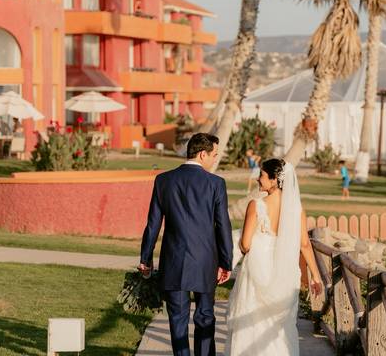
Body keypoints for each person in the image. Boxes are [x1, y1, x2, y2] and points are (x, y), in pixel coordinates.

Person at [139, 133, 233, 356]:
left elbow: (153, 224)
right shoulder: (216, 183)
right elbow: (223, 226)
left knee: (178, 320)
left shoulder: (163, 180)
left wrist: (145, 259)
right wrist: (226, 262)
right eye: (214, 155)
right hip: (205, 261)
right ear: (203, 154)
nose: (214, 159)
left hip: (174, 260)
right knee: (205, 317)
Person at [226, 158, 324, 355]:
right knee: (281, 326)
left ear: (273, 180)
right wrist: (315, 275)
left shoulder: (256, 205)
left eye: (261, 175)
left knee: (251, 321)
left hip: (257, 269)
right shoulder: (297, 210)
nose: (257, 179)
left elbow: (245, 244)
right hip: (285, 272)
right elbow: (304, 244)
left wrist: (242, 243)